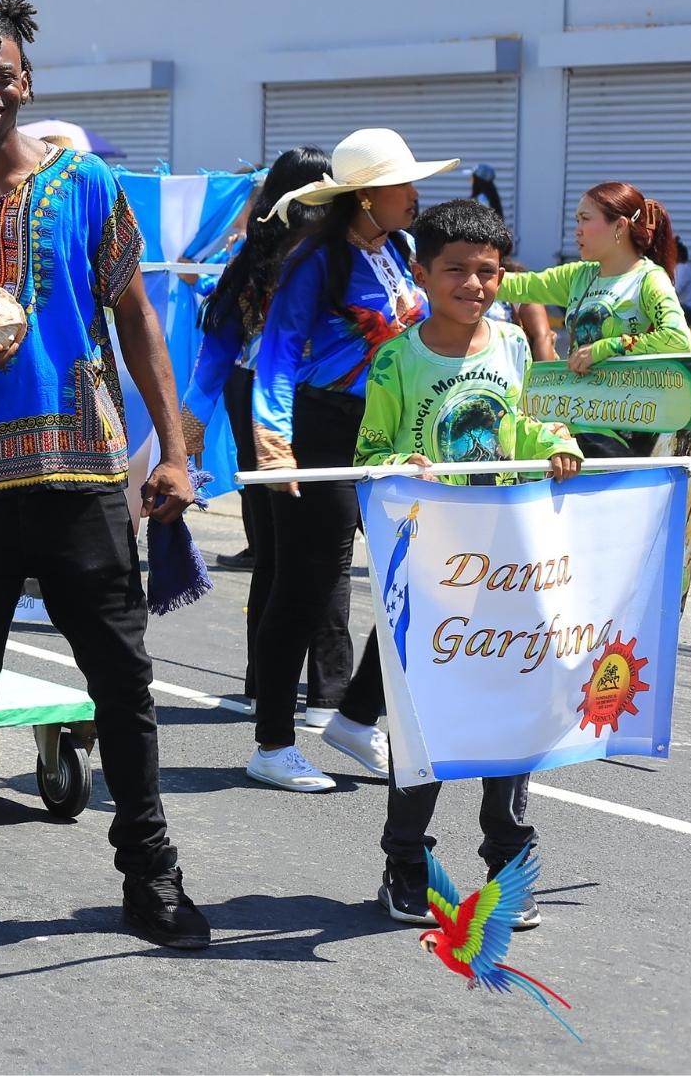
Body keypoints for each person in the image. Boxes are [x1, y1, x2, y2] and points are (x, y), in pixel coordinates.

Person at [0, 0, 211, 949]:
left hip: (82, 471)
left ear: (27, 83)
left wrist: (175, 451)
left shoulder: (85, 182)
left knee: (123, 682)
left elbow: (135, 316)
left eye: (0, 74)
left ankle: (152, 875)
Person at [353, 198, 578, 927]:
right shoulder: (396, 358)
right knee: (427, 718)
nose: (474, 284)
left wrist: (558, 441)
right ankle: (406, 863)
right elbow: (370, 453)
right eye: (456, 270)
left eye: (488, 271)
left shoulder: (513, 344)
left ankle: (509, 861)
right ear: (422, 273)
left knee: (515, 712)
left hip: (512, 564)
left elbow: (530, 422)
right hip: (433, 566)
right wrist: (399, 464)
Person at [247, 127, 451, 793]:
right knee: (306, 586)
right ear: (365, 197)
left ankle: (357, 716)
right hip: (323, 429)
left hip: (394, 433)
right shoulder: (315, 260)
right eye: (402, 184)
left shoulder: (404, 249)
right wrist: (275, 442)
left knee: (419, 576)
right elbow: (279, 352)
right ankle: (273, 744)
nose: (414, 194)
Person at [182, 147, 328, 699]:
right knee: (296, 552)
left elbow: (219, 343)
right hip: (281, 400)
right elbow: (222, 339)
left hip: (272, 396)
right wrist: (189, 424)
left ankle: (276, 684)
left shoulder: (276, 247)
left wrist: (192, 420)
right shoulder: (282, 250)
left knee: (288, 553)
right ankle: (295, 688)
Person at [494, 181, 691, 457]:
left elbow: (678, 339)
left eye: (585, 219)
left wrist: (605, 348)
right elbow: (518, 285)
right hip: (575, 419)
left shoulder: (649, 279)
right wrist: (462, 275)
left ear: (619, 226)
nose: (577, 230)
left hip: (623, 430)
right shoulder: (579, 275)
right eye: (577, 220)